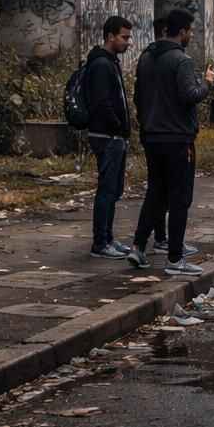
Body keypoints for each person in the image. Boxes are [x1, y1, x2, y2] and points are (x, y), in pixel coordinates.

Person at [126, 8, 214, 275]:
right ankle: (175, 259)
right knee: (179, 199)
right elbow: (190, 95)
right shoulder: (181, 60)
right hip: (178, 139)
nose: (191, 36)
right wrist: (207, 83)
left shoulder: (145, 58)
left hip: (152, 137)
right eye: (190, 31)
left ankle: (138, 248)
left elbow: (138, 97)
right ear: (183, 32)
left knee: (155, 194)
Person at [84, 16, 134, 259]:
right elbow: (103, 102)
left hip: (113, 134)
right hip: (107, 135)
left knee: (114, 189)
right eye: (124, 37)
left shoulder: (109, 62)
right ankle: (100, 243)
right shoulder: (102, 64)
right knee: (106, 190)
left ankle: (108, 238)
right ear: (110, 36)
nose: (128, 42)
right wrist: (118, 128)